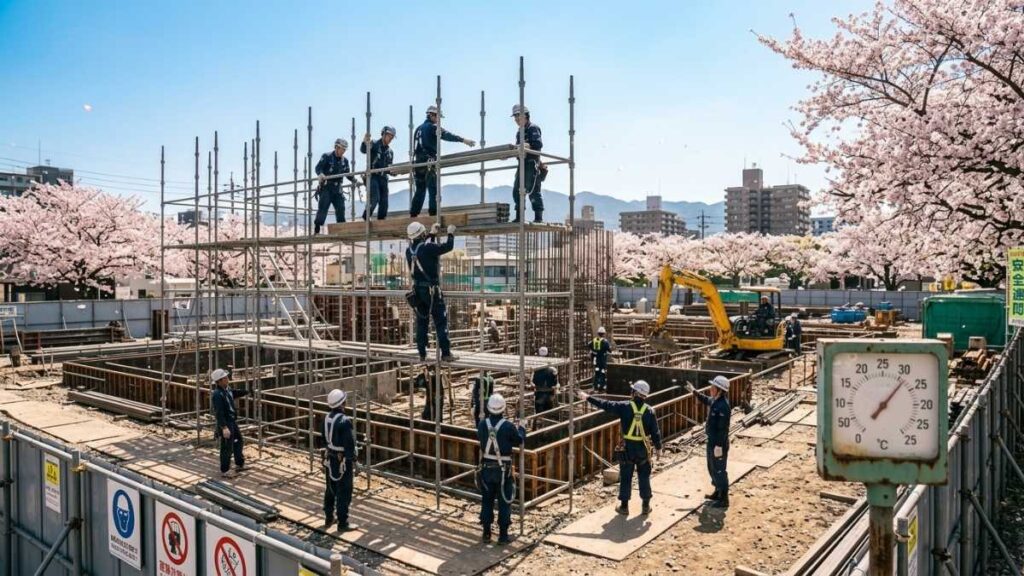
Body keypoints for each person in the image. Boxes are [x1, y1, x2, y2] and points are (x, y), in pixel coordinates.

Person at [579, 380, 662, 515]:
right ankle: (646, 506)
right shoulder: (650, 411)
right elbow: (655, 432)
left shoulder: (624, 406)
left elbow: (605, 404)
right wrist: (658, 448)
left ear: (635, 393)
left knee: (626, 477)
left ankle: (624, 507)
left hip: (627, 448)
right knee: (644, 477)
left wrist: (588, 397)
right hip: (642, 449)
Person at [476, 393, 525, 544]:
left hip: (486, 469)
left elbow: (481, 439)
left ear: (488, 408)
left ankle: (486, 533)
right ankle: (503, 536)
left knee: (487, 500)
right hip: (504, 470)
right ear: (503, 408)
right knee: (504, 502)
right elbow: (519, 440)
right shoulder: (508, 426)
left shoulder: (482, 424)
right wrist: (522, 428)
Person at [406, 221, 458, 362]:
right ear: (421, 234)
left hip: (418, 291)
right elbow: (447, 246)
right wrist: (450, 233)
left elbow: (424, 249)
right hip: (432, 292)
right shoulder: (428, 248)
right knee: (440, 322)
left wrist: (432, 234)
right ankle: (446, 353)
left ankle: (422, 353)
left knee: (422, 322)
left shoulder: (409, 251)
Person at [411, 105, 476, 217]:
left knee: (420, 190)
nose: (438, 120)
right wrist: (462, 140)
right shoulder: (432, 127)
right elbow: (446, 135)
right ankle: (433, 215)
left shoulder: (418, 129)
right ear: (432, 115)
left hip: (418, 164)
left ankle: (413, 215)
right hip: (429, 163)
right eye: (437, 117)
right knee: (433, 190)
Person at [687, 375, 731, 508]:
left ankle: (724, 498)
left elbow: (722, 428)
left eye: (713, 387)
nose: (711, 389)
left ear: (720, 390)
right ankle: (717, 491)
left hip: (718, 443)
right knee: (712, 468)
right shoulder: (716, 401)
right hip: (712, 441)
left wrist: (719, 446)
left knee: (719, 470)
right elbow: (706, 400)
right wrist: (694, 392)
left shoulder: (723, 406)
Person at [320, 389, 356, 531]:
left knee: (330, 489)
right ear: (342, 403)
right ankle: (342, 523)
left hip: (330, 458)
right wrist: (351, 458)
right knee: (344, 491)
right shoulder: (344, 421)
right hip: (342, 461)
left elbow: (323, 438)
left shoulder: (326, 418)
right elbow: (349, 443)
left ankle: (329, 517)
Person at [314, 139, 360, 233]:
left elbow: (347, 174)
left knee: (340, 208)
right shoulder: (327, 156)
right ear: (336, 147)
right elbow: (318, 168)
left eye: (344, 149)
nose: (343, 151)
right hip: (327, 187)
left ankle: (341, 229)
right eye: (342, 149)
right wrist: (321, 174)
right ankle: (317, 228)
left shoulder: (345, 161)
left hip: (337, 188)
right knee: (323, 208)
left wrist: (355, 180)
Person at [211, 368, 249, 478]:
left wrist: (247, 391)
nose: (227, 379)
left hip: (232, 421)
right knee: (226, 446)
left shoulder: (227, 390)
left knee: (238, 440)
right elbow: (219, 412)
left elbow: (234, 393)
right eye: (225, 378)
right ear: (219, 381)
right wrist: (224, 427)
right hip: (226, 423)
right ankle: (225, 470)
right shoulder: (217, 394)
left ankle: (239, 463)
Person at [510, 104, 544, 223]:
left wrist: (524, 146)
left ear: (525, 116)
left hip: (532, 163)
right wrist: (509, 153)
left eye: (518, 116)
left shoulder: (533, 128)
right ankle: (520, 216)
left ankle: (538, 217)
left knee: (533, 190)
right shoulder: (519, 132)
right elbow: (518, 149)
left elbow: (537, 145)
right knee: (517, 190)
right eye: (515, 117)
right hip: (522, 164)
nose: (516, 119)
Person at [360, 126, 396, 220]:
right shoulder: (374, 144)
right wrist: (365, 142)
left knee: (384, 202)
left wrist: (394, 171)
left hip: (383, 178)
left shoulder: (390, 152)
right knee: (375, 198)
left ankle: (381, 221)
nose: (390, 139)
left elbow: (389, 167)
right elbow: (363, 150)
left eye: (392, 137)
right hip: (373, 176)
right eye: (389, 136)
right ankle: (366, 217)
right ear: (383, 134)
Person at [531, 346, 558, 430]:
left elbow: (532, 382)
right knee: (549, 415)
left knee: (538, 414)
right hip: (550, 395)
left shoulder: (536, 369)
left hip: (539, 395)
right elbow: (555, 383)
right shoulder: (553, 369)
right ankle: (548, 430)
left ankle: (536, 430)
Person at [590, 326, 611, 393]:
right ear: (604, 334)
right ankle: (601, 388)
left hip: (596, 360)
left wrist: (594, 351)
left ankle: (595, 386)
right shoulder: (605, 341)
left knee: (597, 373)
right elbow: (609, 350)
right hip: (602, 360)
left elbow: (589, 345)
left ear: (598, 333)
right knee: (603, 372)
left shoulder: (594, 340)